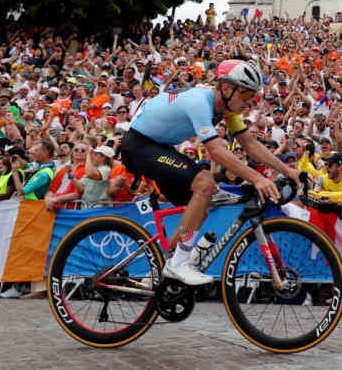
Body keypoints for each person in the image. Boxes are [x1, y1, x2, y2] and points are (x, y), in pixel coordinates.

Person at [120, 59, 296, 285]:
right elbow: (216, 152)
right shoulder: (199, 102)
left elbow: (250, 144)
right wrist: (257, 178)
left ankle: (165, 266)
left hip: (159, 147)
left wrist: (287, 171)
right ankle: (178, 264)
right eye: (245, 95)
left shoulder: (226, 110)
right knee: (204, 182)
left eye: (252, 95)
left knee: (204, 199)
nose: (249, 102)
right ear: (226, 89)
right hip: (138, 146)